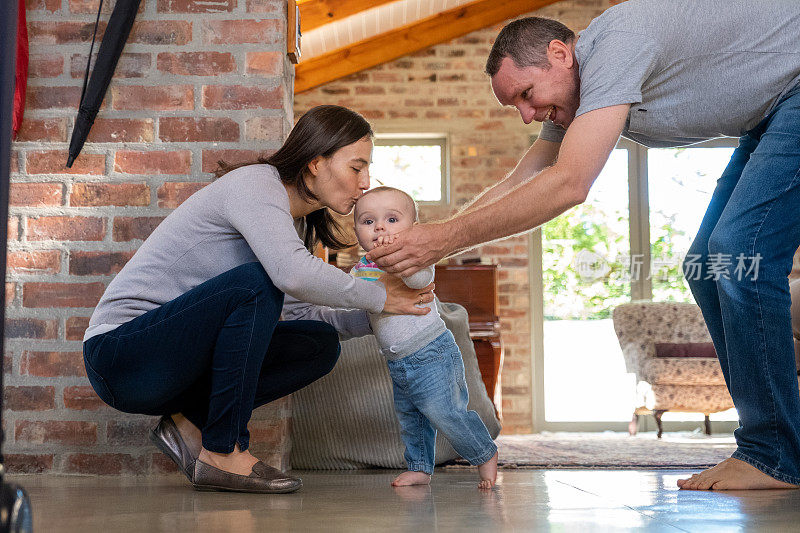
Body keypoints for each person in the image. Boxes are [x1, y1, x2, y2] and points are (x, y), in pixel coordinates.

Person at [367, 1, 800, 490]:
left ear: (560, 54)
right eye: (518, 107)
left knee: (740, 254)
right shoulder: (580, 92)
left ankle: (774, 455)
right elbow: (523, 179)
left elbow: (569, 183)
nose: (528, 116)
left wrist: (439, 239)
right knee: (707, 263)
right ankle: (770, 444)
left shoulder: (614, 44)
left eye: (526, 95)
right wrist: (436, 239)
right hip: (775, 110)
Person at [82, 105, 434, 494]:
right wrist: (379, 296)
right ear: (316, 162)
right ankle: (222, 450)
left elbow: (300, 311)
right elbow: (292, 274)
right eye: (356, 167)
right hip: (121, 355)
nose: (366, 182)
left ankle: (191, 425)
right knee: (253, 283)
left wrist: (387, 314)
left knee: (317, 344)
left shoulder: (294, 223)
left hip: (174, 367)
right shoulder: (256, 184)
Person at [351, 187, 499, 488]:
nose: (380, 227)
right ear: (356, 231)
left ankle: (484, 453)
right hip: (398, 361)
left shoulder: (415, 259)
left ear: (414, 229)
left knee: (444, 411)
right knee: (411, 418)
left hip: (431, 352)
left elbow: (419, 280)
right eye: (368, 222)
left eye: (392, 219)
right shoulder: (362, 268)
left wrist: (395, 259)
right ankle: (419, 467)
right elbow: (350, 297)